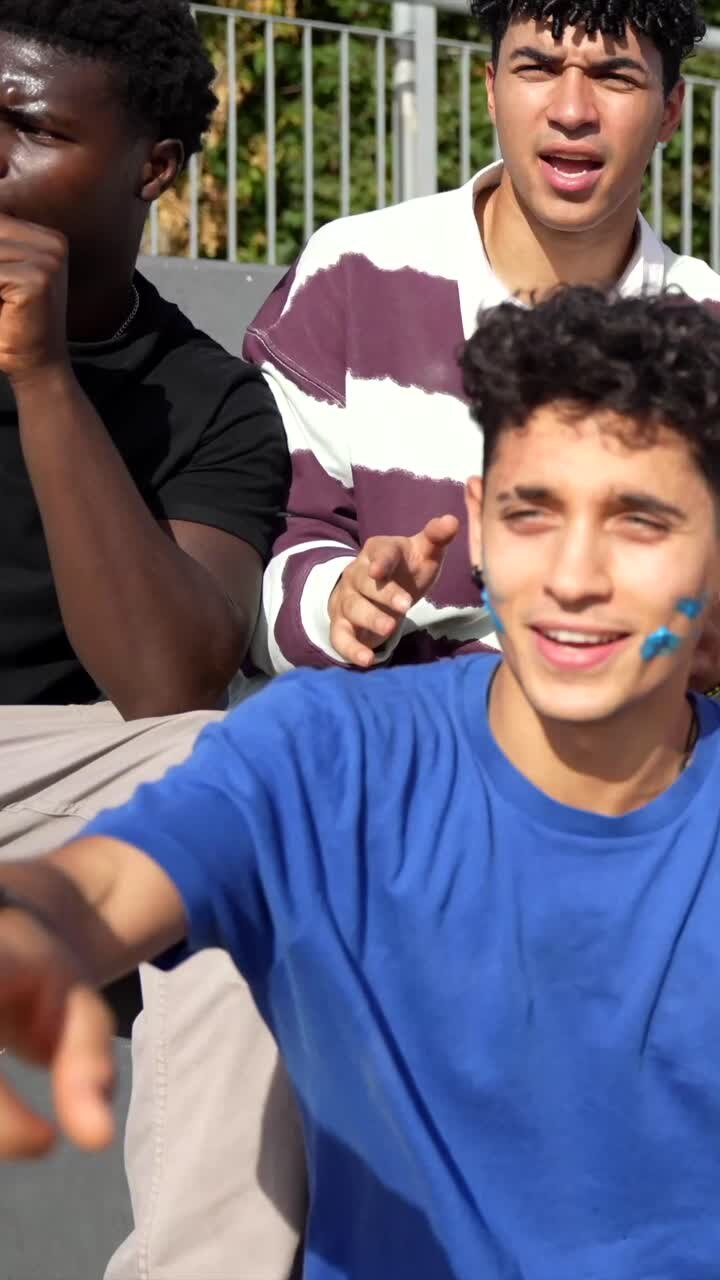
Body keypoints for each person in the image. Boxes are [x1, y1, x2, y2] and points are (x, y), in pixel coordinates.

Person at [2, 287, 720, 1279]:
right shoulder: (333, 757)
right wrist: (30, 933)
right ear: (475, 518)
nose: (574, 575)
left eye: (642, 523)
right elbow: (102, 882)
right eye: (531, 512)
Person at [0, 3, 303, 1279]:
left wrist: (43, 377)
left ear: (153, 166)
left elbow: (171, 683)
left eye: (26, 129)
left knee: (240, 789)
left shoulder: (209, 398)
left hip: (48, 785)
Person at [245, 0, 720, 686]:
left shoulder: (703, 322)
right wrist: (340, 603)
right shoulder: (354, 271)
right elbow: (252, 572)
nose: (572, 109)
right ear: (491, 87)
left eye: (615, 77)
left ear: (671, 111)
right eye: (539, 67)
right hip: (385, 748)